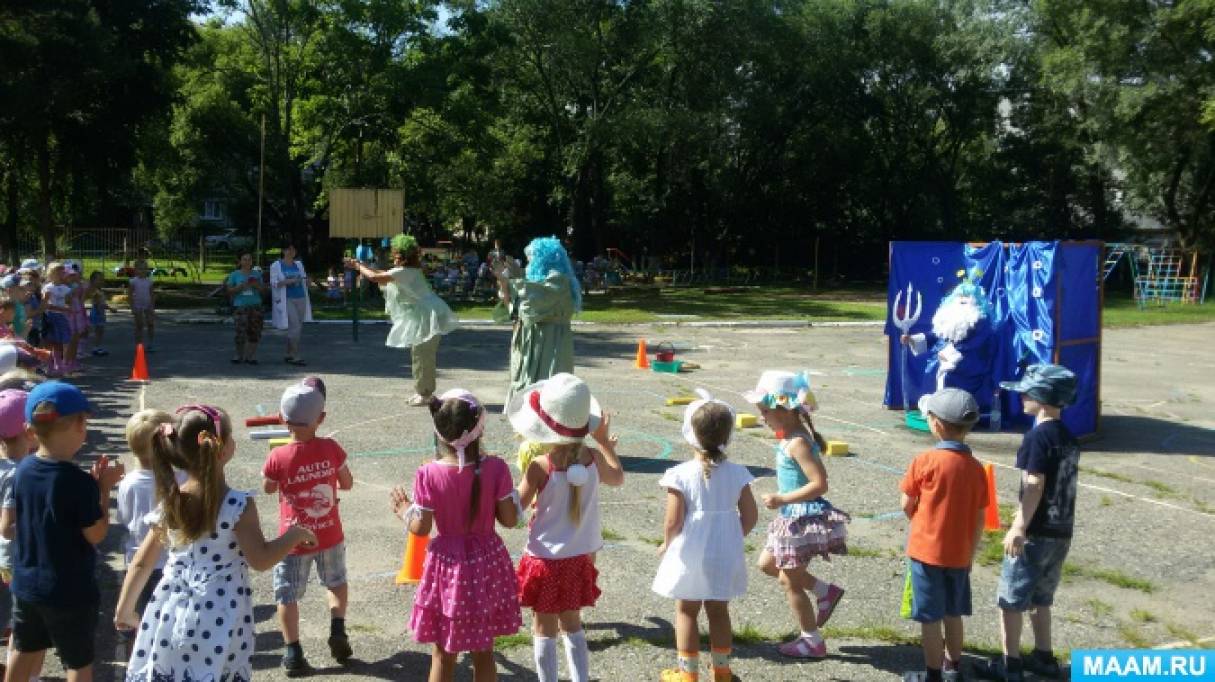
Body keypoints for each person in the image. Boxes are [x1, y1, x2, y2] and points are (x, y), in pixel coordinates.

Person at [115, 404, 317, 682]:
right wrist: (294, 534)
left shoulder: (171, 502)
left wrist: (125, 610)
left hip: (170, 611)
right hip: (220, 617)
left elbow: (141, 562)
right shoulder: (237, 505)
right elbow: (260, 559)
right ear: (222, 449)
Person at [390, 389, 522, 682]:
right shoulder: (497, 468)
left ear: (438, 430)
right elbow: (510, 520)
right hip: (487, 563)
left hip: (447, 567)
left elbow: (421, 528)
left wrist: (404, 510)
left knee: (443, 653)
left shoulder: (428, 473)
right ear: (480, 427)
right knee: (484, 651)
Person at [5, 381, 124, 682]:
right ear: (80, 427)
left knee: (24, 647)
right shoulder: (78, 482)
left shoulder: (23, 469)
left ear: (31, 430)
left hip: (27, 584)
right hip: (68, 591)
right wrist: (104, 490)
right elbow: (96, 533)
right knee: (77, 661)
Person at [510, 373, 624, 682]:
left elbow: (514, 510)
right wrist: (604, 444)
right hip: (579, 559)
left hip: (544, 561)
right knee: (572, 624)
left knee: (544, 629)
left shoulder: (540, 467)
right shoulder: (593, 459)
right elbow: (618, 477)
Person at [975, 365, 1079, 682]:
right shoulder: (1068, 438)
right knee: (1041, 598)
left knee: (1011, 600)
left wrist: (1019, 526)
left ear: (1043, 399)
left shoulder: (1037, 437)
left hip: (1034, 532)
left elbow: (1034, 484)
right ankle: (1044, 656)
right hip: (1061, 531)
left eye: (1028, 392)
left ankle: (1011, 664)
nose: (1021, 396)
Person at [652, 391, 758, 682]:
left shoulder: (680, 474)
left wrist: (667, 542)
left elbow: (673, 520)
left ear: (690, 434)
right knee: (719, 610)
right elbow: (750, 517)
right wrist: (732, 537)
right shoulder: (738, 474)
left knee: (686, 611)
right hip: (725, 552)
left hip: (690, 553)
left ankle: (688, 675)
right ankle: (722, 671)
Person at [746, 370, 849, 659]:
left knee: (789, 580)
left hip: (800, 520)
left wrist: (782, 498)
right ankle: (824, 591)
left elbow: (820, 484)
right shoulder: (788, 437)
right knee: (767, 565)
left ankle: (811, 640)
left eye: (766, 411)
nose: (762, 417)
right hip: (790, 517)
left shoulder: (798, 442)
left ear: (784, 410)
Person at [262, 377, 354, 674]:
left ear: (281, 419)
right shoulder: (331, 448)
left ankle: (292, 651)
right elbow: (347, 483)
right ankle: (338, 627)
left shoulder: (278, 456)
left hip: (293, 539)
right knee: (336, 581)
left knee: (287, 594)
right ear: (321, 419)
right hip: (329, 531)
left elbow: (267, 487)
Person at [899, 388, 989, 682]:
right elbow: (979, 518)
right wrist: (970, 552)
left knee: (930, 618)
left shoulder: (924, 461)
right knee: (953, 614)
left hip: (926, 552)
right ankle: (952, 669)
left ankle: (932, 674)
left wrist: (922, 520)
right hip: (960, 554)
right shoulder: (977, 470)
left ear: (935, 424)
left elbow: (906, 503)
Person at [346, 235, 457, 406]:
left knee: (423, 354)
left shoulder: (404, 271)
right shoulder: (408, 270)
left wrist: (358, 266)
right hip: (426, 313)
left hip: (428, 314)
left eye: (397, 254)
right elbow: (381, 274)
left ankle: (426, 394)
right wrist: (362, 267)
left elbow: (376, 278)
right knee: (419, 353)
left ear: (404, 256)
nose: (394, 257)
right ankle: (422, 391)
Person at [114, 409, 177, 659]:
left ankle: (136, 670)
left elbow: (124, 519)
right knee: (166, 626)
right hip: (168, 564)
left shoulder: (128, 482)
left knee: (139, 627)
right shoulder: (177, 478)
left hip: (137, 564)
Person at [494, 237, 580, 405]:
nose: (529, 262)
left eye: (532, 257)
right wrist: (503, 282)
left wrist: (514, 278)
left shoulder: (558, 280)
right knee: (526, 383)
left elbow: (531, 303)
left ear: (544, 258)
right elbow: (514, 308)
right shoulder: (533, 281)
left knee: (549, 387)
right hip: (531, 342)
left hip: (550, 342)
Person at [0, 390, 34, 655]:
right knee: (17, 622)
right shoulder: (17, 474)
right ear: (27, 430)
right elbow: (7, 528)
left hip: (5, 559)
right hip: (13, 560)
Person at [271, 243, 313, 366]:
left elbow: (303, 279)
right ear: (283, 251)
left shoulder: (298, 264)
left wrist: (308, 281)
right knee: (295, 325)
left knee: (297, 326)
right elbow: (274, 283)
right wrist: (289, 281)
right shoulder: (276, 265)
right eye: (288, 249)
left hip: (300, 297)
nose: (291, 252)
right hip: (287, 299)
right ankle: (295, 355)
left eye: (293, 249)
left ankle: (288, 353)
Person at [225, 253, 267, 365]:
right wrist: (239, 287)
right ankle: (239, 355)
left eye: (249, 260)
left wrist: (256, 285)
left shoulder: (257, 274)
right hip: (241, 307)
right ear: (240, 261)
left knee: (255, 332)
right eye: (244, 259)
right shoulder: (234, 274)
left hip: (256, 306)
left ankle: (251, 356)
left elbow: (264, 290)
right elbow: (228, 291)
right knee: (240, 332)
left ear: (252, 262)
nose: (247, 262)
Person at [41, 263, 73, 376]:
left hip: (62, 317)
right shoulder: (47, 288)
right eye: (56, 272)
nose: (59, 275)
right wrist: (62, 308)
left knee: (60, 342)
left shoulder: (67, 289)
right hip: (50, 317)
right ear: (50, 274)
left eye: (61, 272)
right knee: (50, 342)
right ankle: (49, 366)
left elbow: (69, 303)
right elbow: (46, 305)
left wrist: (69, 309)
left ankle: (59, 365)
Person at [128, 262, 155, 352]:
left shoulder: (149, 281)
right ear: (135, 270)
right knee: (139, 325)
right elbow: (130, 295)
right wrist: (132, 307)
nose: (142, 271)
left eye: (144, 269)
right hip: (137, 305)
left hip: (147, 304)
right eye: (140, 269)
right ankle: (139, 345)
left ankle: (150, 343)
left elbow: (152, 294)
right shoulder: (133, 281)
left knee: (150, 324)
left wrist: (152, 307)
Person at [85, 272, 109, 356]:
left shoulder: (99, 290)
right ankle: (94, 348)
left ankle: (97, 347)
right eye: (99, 279)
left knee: (100, 331)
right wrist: (110, 308)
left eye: (102, 279)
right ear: (93, 280)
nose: (101, 281)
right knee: (97, 331)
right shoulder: (94, 291)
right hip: (97, 312)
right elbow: (98, 303)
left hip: (101, 312)